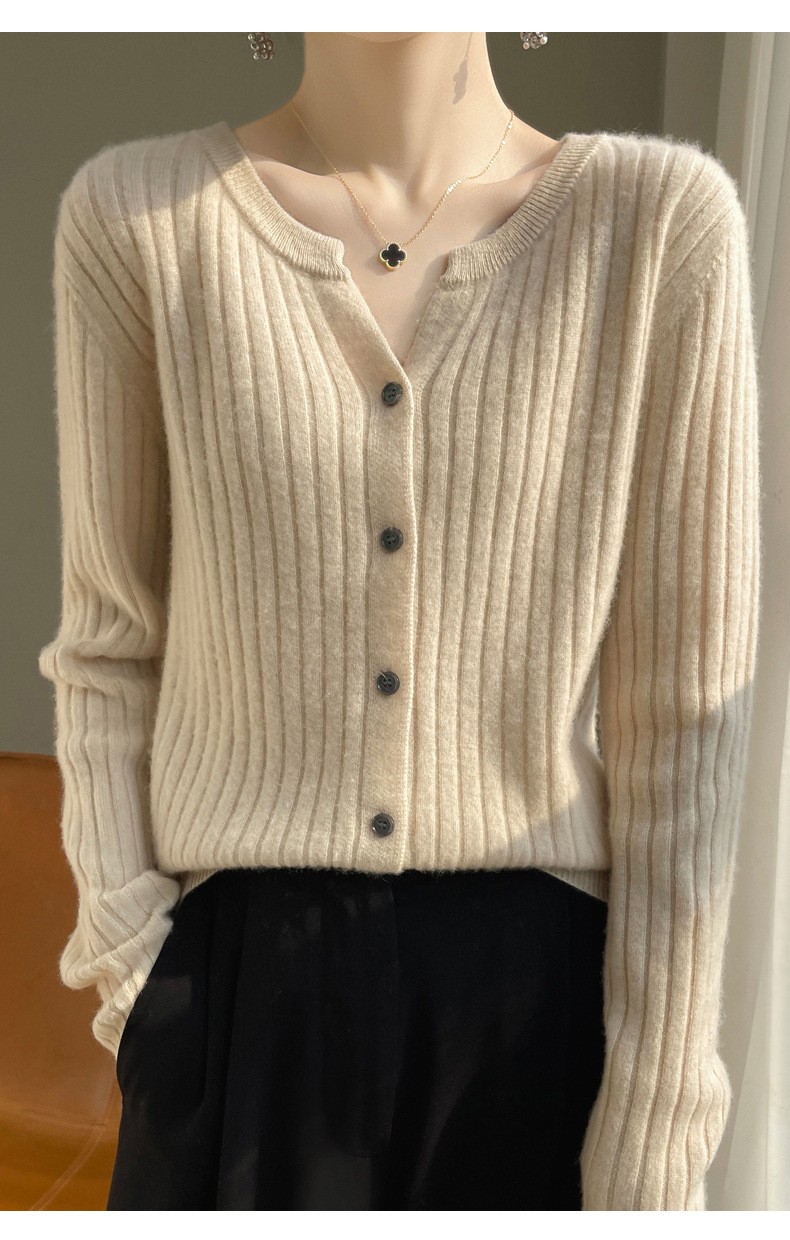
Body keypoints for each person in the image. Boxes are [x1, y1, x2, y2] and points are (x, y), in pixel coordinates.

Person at [38, 32, 761, 1211]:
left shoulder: (656, 225)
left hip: (538, 1015)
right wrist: (141, 981)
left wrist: (659, 1100)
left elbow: (683, 719)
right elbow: (110, 647)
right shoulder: (142, 219)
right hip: (236, 999)